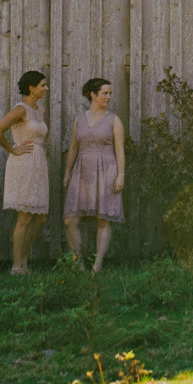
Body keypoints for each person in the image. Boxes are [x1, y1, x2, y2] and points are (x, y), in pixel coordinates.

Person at [0, 69, 51, 274]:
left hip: (39, 162)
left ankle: (25, 261)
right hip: (23, 163)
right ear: (31, 88)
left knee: (39, 217)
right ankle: (16, 267)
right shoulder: (20, 109)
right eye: (42, 85)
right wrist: (13, 149)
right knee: (25, 216)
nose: (46, 88)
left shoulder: (39, 111)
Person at [63, 77, 125, 272]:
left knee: (102, 218)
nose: (108, 97)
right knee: (70, 220)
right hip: (81, 171)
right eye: (105, 93)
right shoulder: (79, 120)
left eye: (110, 93)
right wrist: (67, 172)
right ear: (93, 94)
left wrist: (121, 175)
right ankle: (78, 263)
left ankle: (97, 265)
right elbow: (73, 147)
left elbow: (120, 149)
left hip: (106, 170)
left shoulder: (114, 120)